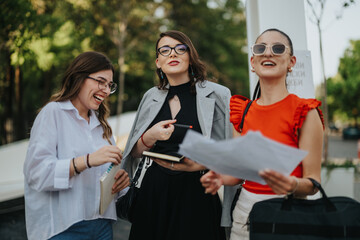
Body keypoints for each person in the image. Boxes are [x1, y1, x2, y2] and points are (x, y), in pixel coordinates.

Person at [200, 28, 324, 240]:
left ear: (291, 62)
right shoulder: (242, 111)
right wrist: (220, 176)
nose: (268, 53)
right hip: (245, 218)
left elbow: (313, 183)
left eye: (277, 48)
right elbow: (239, 173)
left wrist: (292, 185)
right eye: (261, 48)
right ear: (253, 61)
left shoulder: (305, 112)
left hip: (289, 215)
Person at [120, 30, 233, 240]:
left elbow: (228, 152)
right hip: (154, 193)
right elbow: (133, 152)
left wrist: (200, 164)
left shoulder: (218, 94)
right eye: (165, 50)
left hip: (197, 193)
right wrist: (150, 136)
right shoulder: (150, 97)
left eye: (180, 49)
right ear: (158, 62)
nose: (172, 54)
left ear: (190, 57)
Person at [23, 51, 130, 240]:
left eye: (109, 85)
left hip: (103, 226)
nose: (105, 90)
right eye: (100, 81)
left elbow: (104, 177)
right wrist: (87, 160)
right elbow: (36, 173)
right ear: (79, 78)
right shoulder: (53, 113)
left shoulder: (102, 126)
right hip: (64, 229)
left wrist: (119, 180)